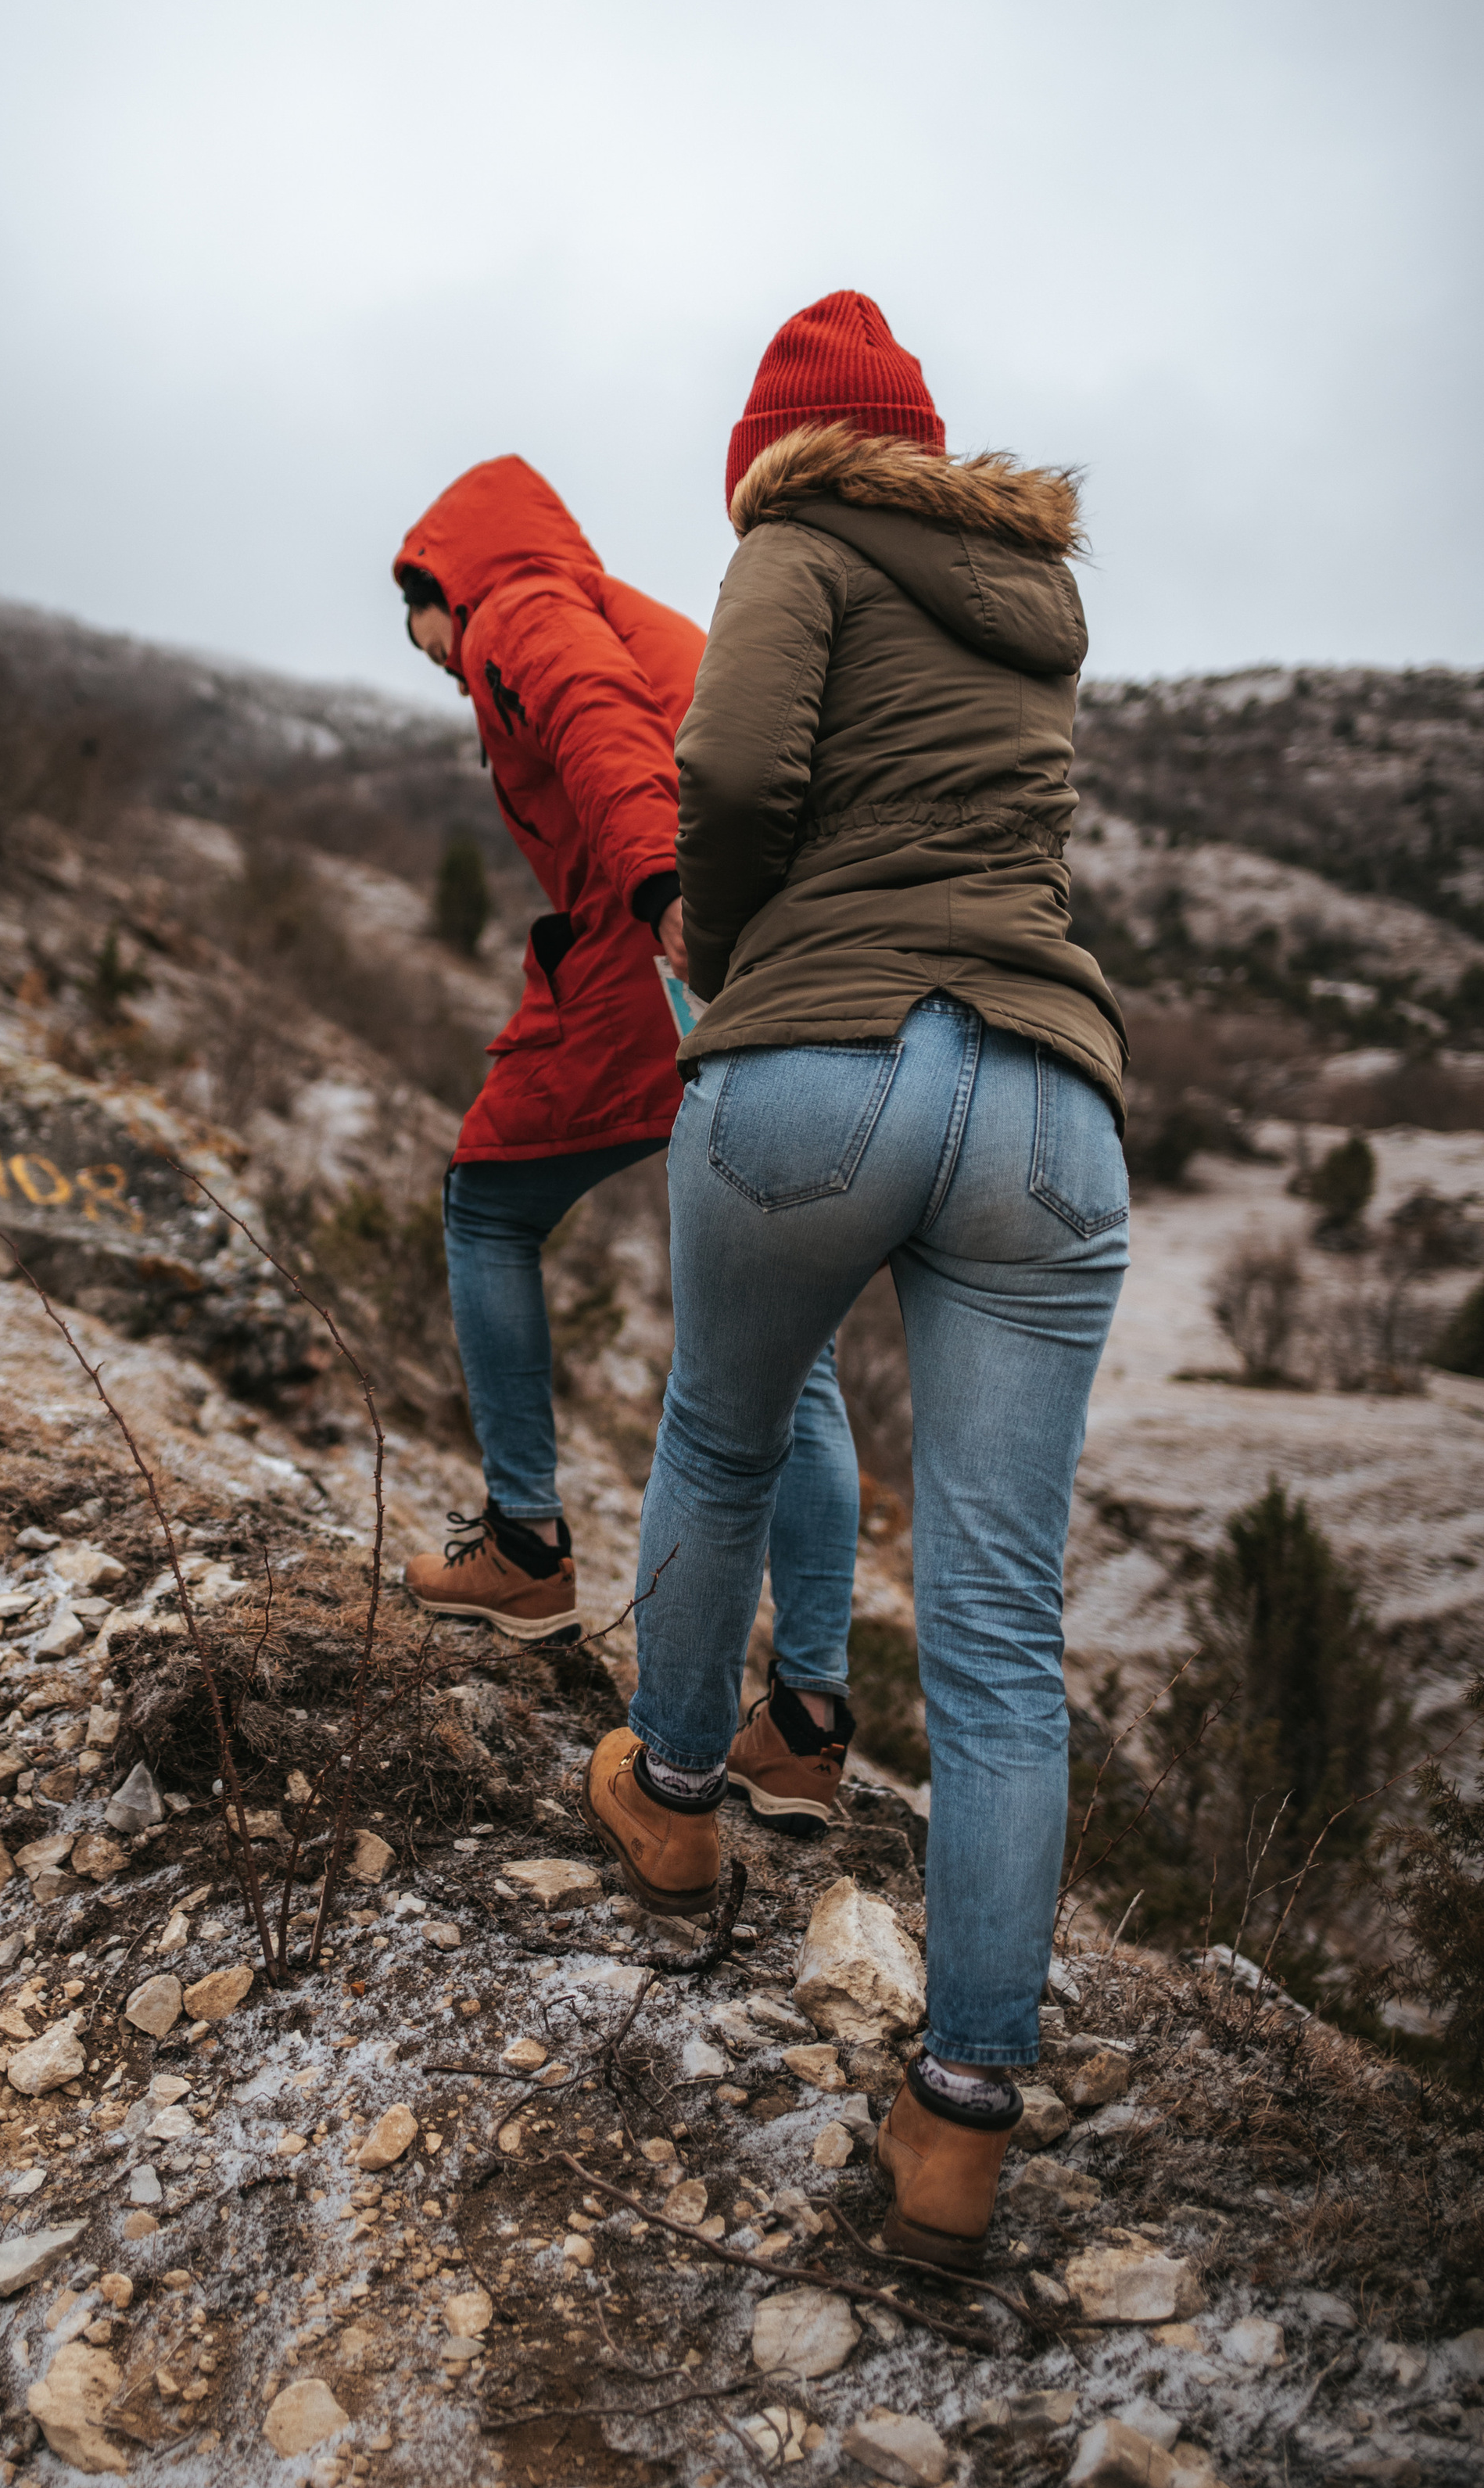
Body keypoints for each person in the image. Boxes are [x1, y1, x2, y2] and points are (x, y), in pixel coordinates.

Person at [579, 292, 1130, 2271]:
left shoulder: (790, 546)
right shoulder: (1028, 601)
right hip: (1046, 1098)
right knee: (994, 1620)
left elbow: (722, 782)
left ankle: (668, 1798)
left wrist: (728, 958)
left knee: (719, 1439)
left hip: (820, 1059)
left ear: (782, 453)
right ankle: (960, 2114)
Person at [393, 457, 862, 1830]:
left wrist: (664, 900)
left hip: (658, 951)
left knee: (485, 1203)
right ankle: (808, 1725)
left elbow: (606, 737)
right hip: (781, 954)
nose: (430, 657)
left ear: (438, 582)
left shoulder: (514, 609)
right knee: (796, 1350)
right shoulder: (592, 599)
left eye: (415, 624)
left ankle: (527, 1548)